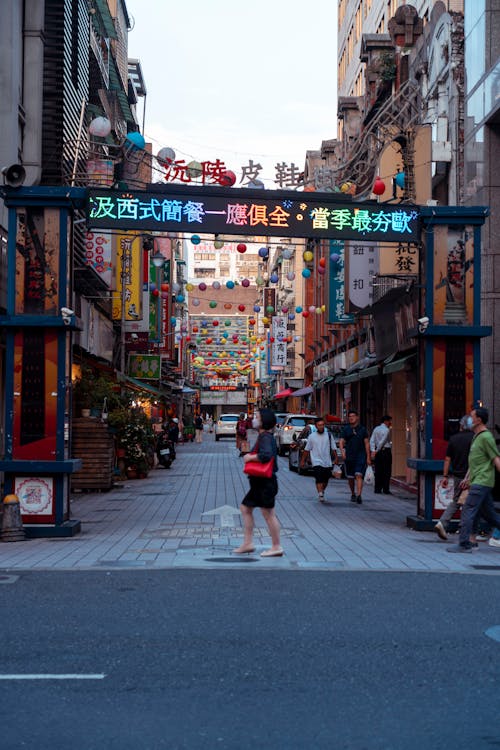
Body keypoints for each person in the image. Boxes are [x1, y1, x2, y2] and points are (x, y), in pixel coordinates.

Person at [447, 406, 500, 553]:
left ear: (479, 420)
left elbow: (496, 459)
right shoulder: (477, 436)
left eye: (472, 416)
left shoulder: (486, 437)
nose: (469, 419)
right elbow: (476, 461)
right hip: (478, 480)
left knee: (468, 510)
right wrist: (467, 477)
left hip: (482, 481)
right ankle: (468, 541)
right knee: (490, 516)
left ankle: (464, 543)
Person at [234, 408, 283, 558]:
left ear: (264, 421)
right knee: (246, 508)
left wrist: (250, 457)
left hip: (265, 482)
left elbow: (266, 455)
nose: (254, 419)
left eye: (257, 417)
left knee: (268, 514)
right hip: (260, 483)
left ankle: (276, 546)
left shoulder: (266, 437)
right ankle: (248, 543)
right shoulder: (264, 436)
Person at [435, 415, 474, 540]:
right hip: (472, 475)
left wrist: (445, 476)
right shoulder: (474, 438)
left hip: (457, 475)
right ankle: (466, 530)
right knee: (472, 503)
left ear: (461, 425)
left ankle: (442, 522)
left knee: (456, 501)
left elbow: (447, 459)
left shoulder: (453, 439)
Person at [301, 416, 338, 503]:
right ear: (316, 426)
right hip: (316, 461)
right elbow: (307, 449)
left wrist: (336, 458)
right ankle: (320, 494)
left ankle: (322, 490)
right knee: (318, 477)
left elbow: (333, 448)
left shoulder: (328, 435)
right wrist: (303, 461)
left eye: (322, 425)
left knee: (326, 479)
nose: (321, 427)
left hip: (327, 461)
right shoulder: (312, 436)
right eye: (319, 425)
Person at [339, 409, 372, 505]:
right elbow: (341, 441)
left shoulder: (362, 429)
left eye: (353, 416)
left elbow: (366, 443)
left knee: (359, 475)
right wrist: (343, 453)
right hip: (349, 456)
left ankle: (359, 495)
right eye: (349, 416)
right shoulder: (346, 429)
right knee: (350, 477)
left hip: (361, 455)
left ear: (357, 417)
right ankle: (353, 493)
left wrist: (368, 457)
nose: (351, 418)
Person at [369, 414, 393, 494]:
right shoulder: (387, 430)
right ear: (386, 421)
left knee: (378, 470)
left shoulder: (376, 428)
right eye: (390, 421)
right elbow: (382, 441)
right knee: (386, 471)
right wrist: (376, 450)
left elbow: (372, 440)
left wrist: (373, 450)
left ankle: (377, 489)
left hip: (378, 452)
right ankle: (386, 489)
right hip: (385, 451)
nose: (390, 423)